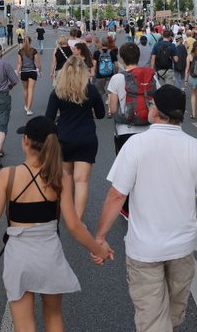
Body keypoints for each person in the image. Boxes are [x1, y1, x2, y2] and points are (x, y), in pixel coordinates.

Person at [93, 85, 197, 332]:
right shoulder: (196, 148)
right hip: (182, 248)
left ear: (156, 112)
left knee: (154, 322)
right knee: (173, 312)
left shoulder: (135, 145)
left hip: (144, 248)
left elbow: (118, 194)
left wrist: (100, 237)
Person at [0, 117, 111, 332]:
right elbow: (74, 226)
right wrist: (99, 250)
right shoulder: (60, 178)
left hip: (19, 256)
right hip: (49, 254)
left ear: (26, 141)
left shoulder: (8, 176)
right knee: (53, 318)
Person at [45, 56, 105, 219]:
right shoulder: (90, 90)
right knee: (82, 181)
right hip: (86, 137)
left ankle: (68, 211)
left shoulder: (58, 91)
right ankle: (77, 221)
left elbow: (48, 118)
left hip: (64, 137)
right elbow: (101, 114)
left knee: (66, 177)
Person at [107, 42, 153, 219]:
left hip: (124, 131)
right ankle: (145, 205)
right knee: (145, 171)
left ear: (121, 59)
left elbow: (112, 108)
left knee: (125, 172)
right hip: (148, 130)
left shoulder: (117, 79)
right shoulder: (150, 77)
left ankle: (126, 209)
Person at [15, 38, 42, 116]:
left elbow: (19, 63)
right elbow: (37, 63)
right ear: (30, 42)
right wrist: (40, 70)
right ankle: (29, 109)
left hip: (23, 72)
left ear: (23, 42)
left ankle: (26, 105)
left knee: (25, 89)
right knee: (30, 90)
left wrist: (17, 72)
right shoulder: (34, 51)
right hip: (32, 72)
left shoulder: (20, 51)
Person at [91, 36, 118, 103]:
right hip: (110, 74)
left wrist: (93, 73)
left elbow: (94, 64)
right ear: (108, 44)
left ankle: (99, 103)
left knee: (99, 91)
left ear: (101, 43)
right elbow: (116, 64)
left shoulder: (97, 53)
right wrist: (116, 72)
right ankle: (109, 102)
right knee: (109, 90)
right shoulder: (111, 52)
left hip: (99, 75)